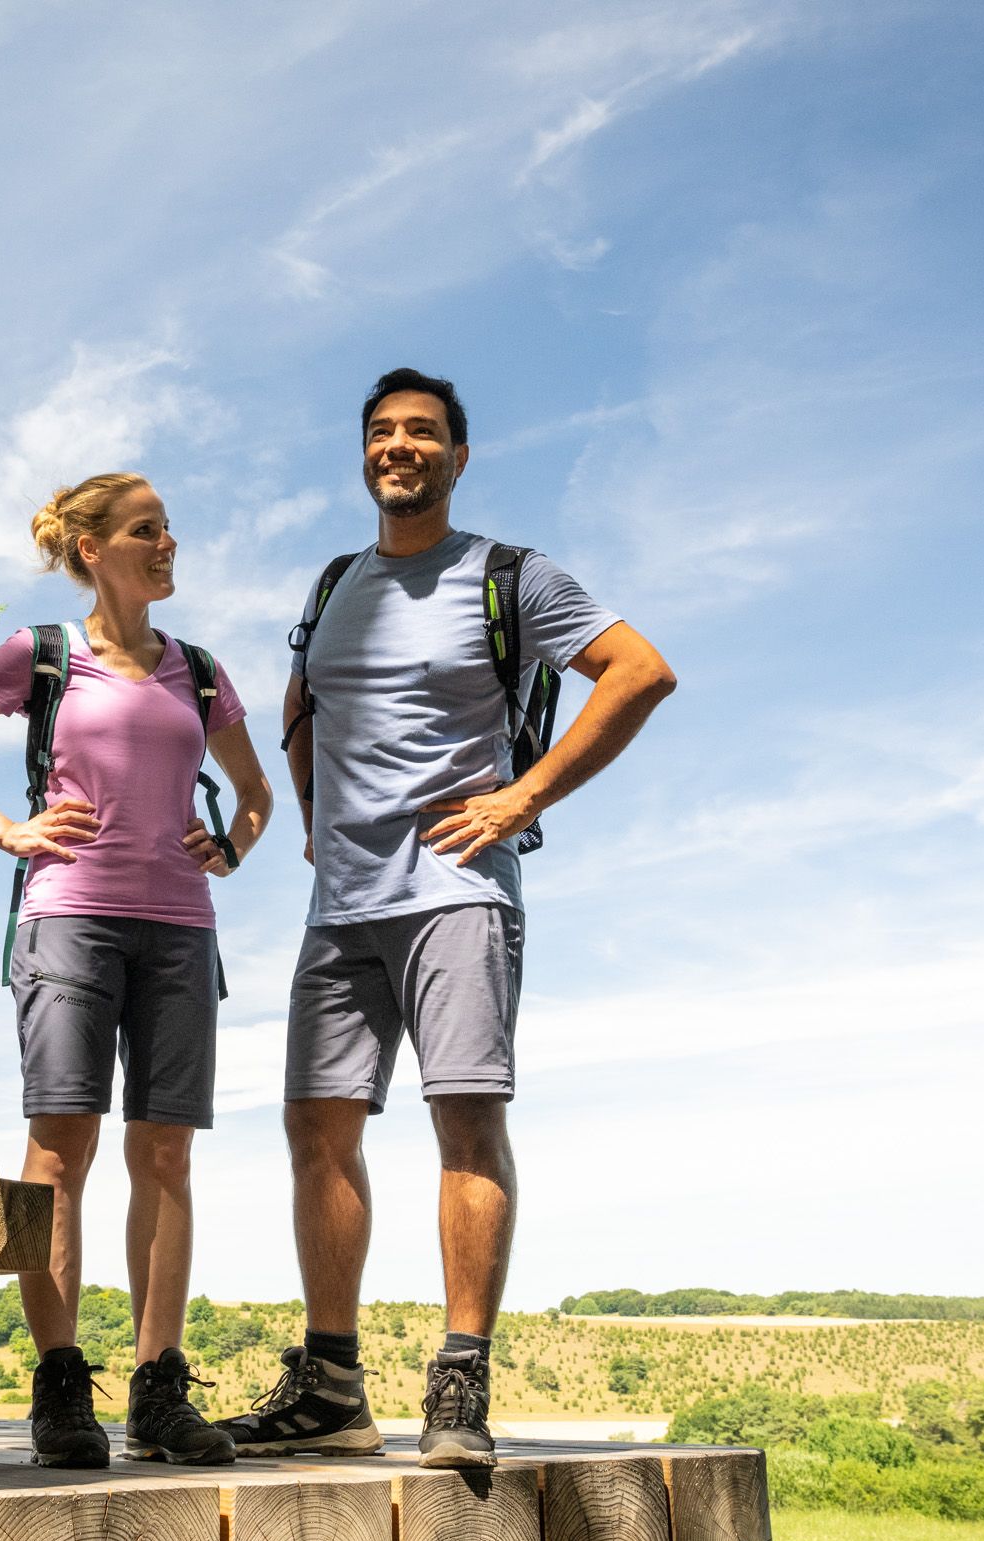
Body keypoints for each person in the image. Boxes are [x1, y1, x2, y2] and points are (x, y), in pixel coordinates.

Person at [219, 368, 677, 1469]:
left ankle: (460, 1384)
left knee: (464, 1119)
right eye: (382, 431)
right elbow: (302, 703)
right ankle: (330, 1390)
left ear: (457, 458)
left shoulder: (507, 575)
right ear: (364, 454)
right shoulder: (336, 583)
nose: (400, 446)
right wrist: (318, 820)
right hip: (344, 904)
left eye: (422, 432)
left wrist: (524, 797)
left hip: (458, 891)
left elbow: (638, 672)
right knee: (314, 1129)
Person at [0, 472, 272, 1469]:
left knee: (165, 1155)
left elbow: (253, 793)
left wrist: (232, 846)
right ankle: (62, 1390)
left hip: (178, 931)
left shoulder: (199, 672)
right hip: (66, 919)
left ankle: (159, 1392)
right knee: (59, 1148)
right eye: (146, 530)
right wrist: (7, 829)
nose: (167, 545)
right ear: (93, 548)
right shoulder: (41, 656)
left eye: (168, 530)